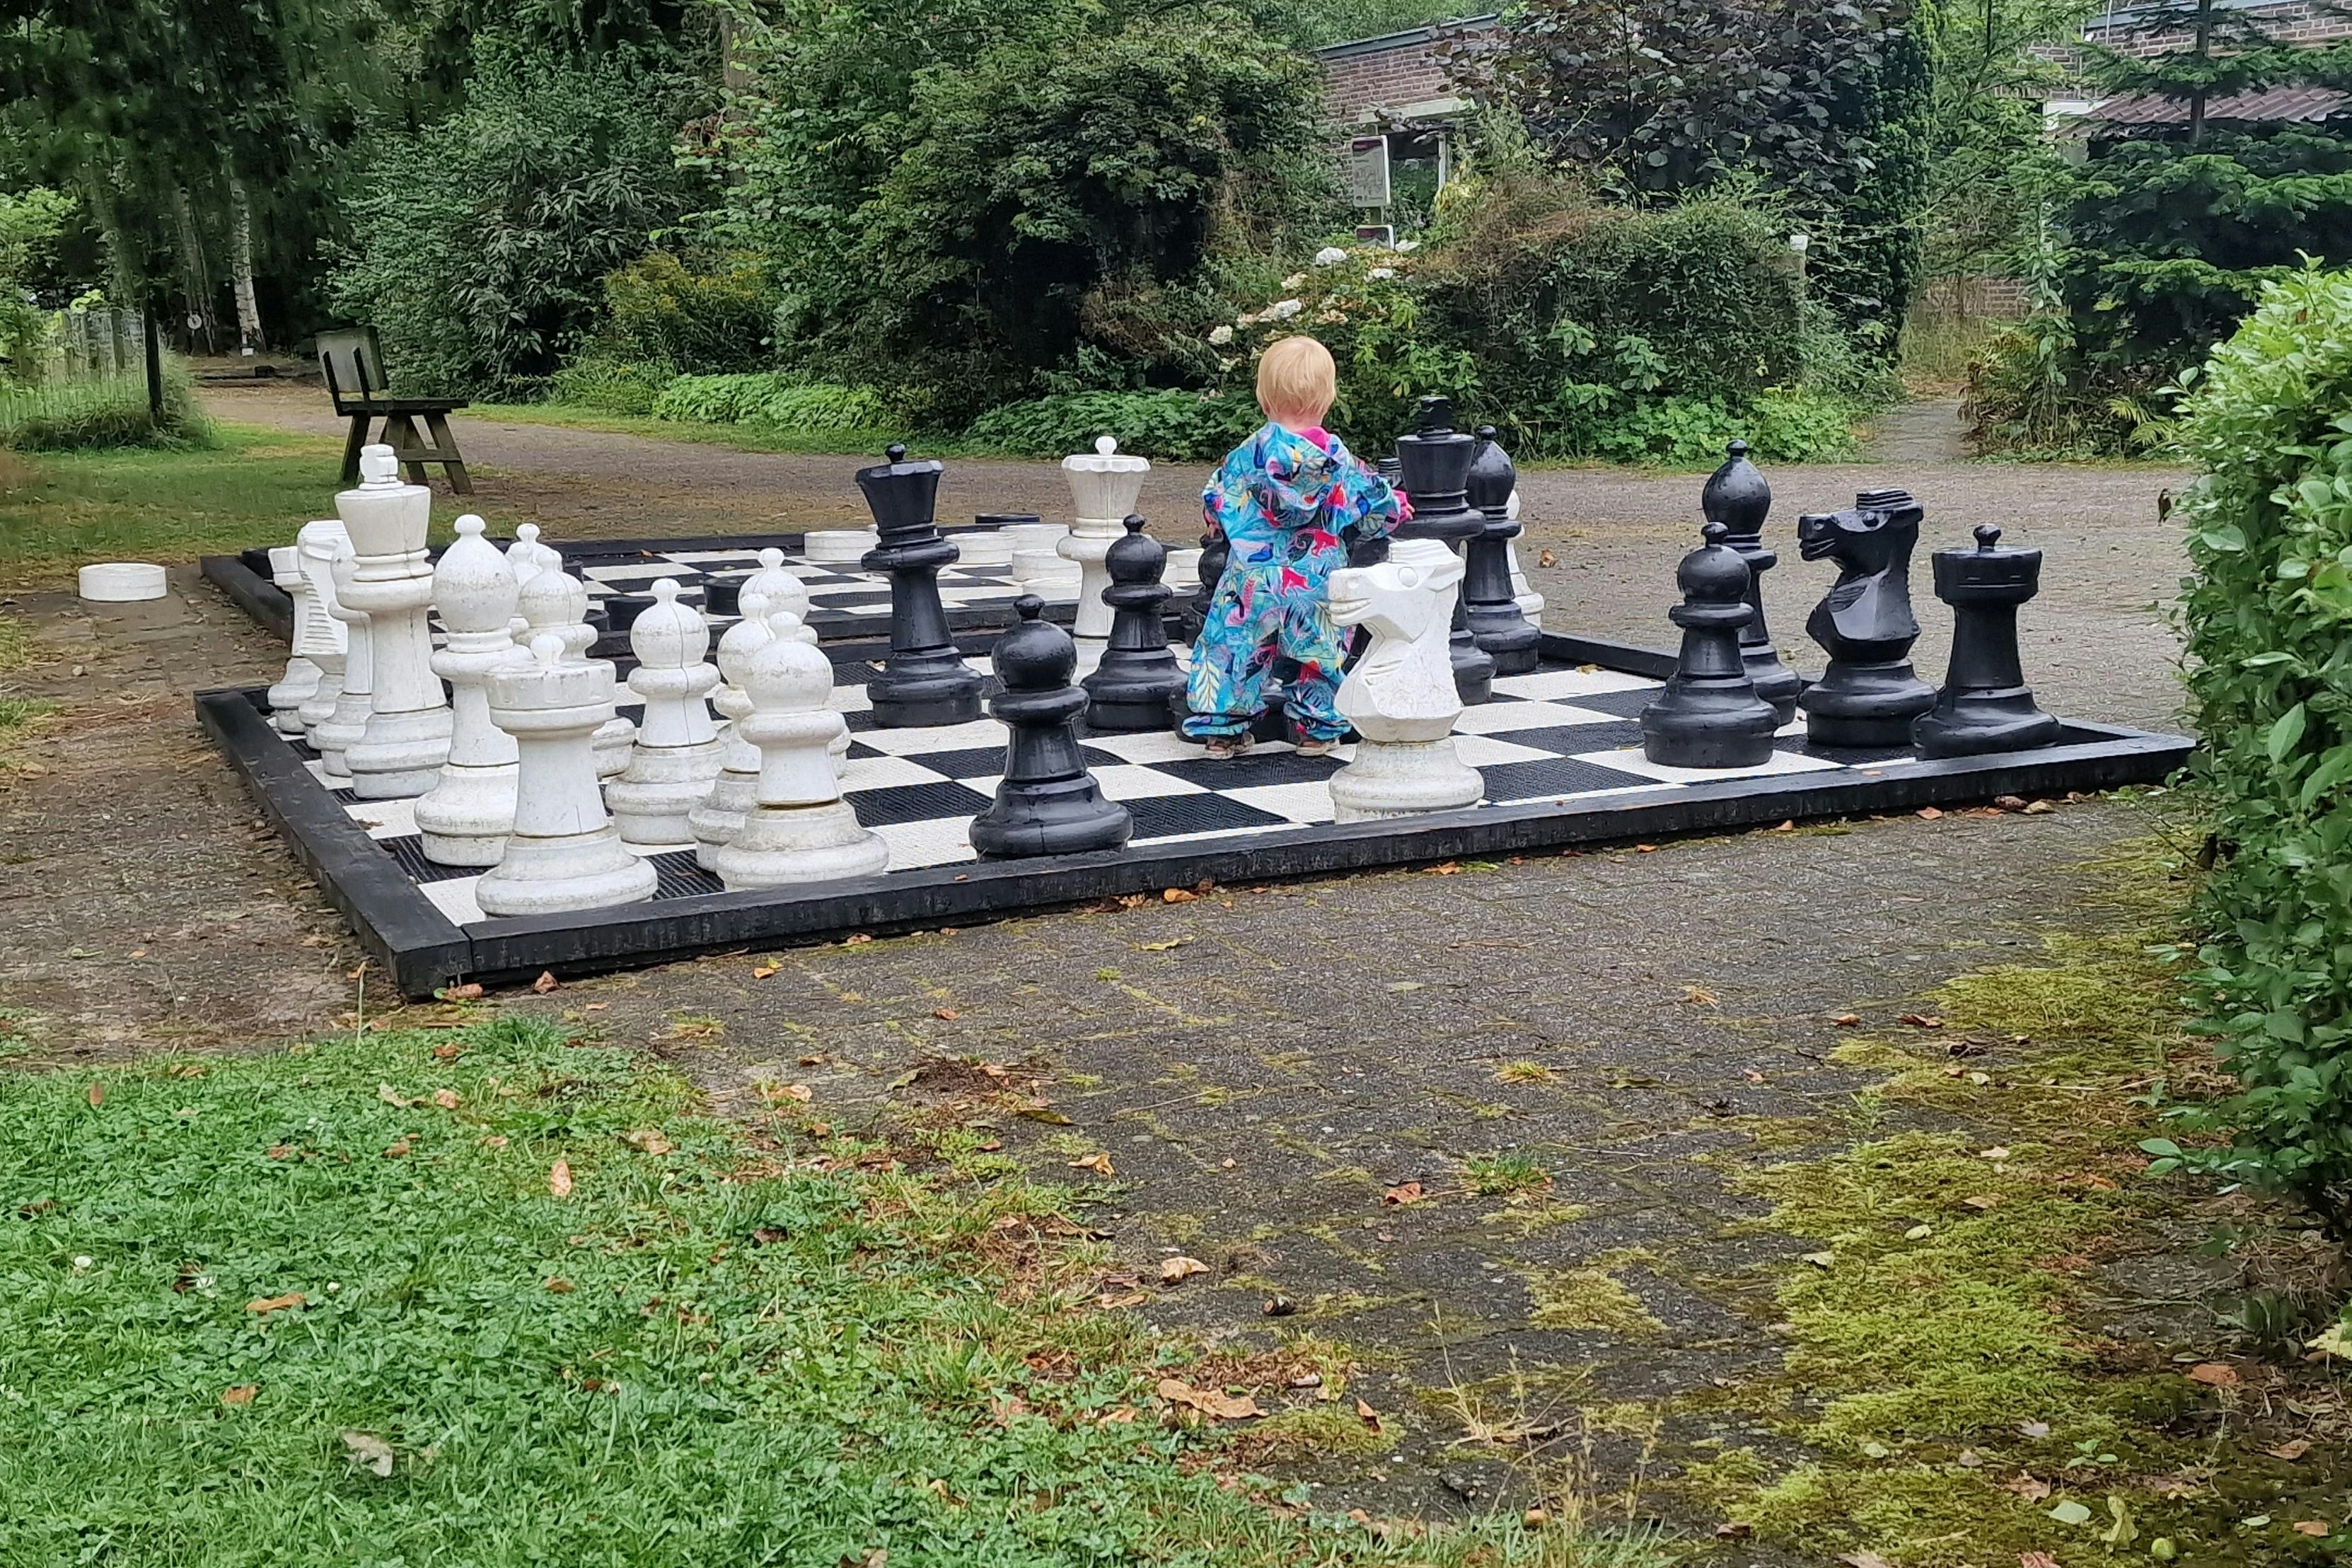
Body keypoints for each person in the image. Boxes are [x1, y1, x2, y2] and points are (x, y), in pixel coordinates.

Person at [1183, 335, 1405, 759]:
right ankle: (1316, 732)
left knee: (1232, 651)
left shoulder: (1246, 454)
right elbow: (1376, 510)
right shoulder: (1338, 461)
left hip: (1251, 577)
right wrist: (1397, 508)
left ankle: (1222, 732)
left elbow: (1216, 499)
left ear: (1264, 399)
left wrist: (1219, 522)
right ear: (1328, 399)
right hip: (1316, 576)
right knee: (1320, 651)